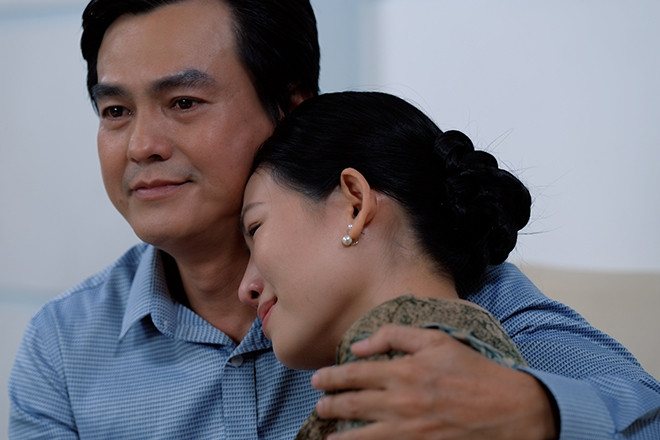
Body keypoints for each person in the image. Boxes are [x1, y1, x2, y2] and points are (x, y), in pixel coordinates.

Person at [7, 0, 660, 438]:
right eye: (115, 112)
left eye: (183, 101)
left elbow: (643, 411)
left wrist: (533, 412)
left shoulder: (452, 293)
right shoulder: (63, 346)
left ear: (291, 109)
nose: (141, 145)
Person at [237, 90, 533, 438]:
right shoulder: (459, 350)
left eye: (255, 228)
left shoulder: (413, 381)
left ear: (355, 204)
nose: (245, 288)